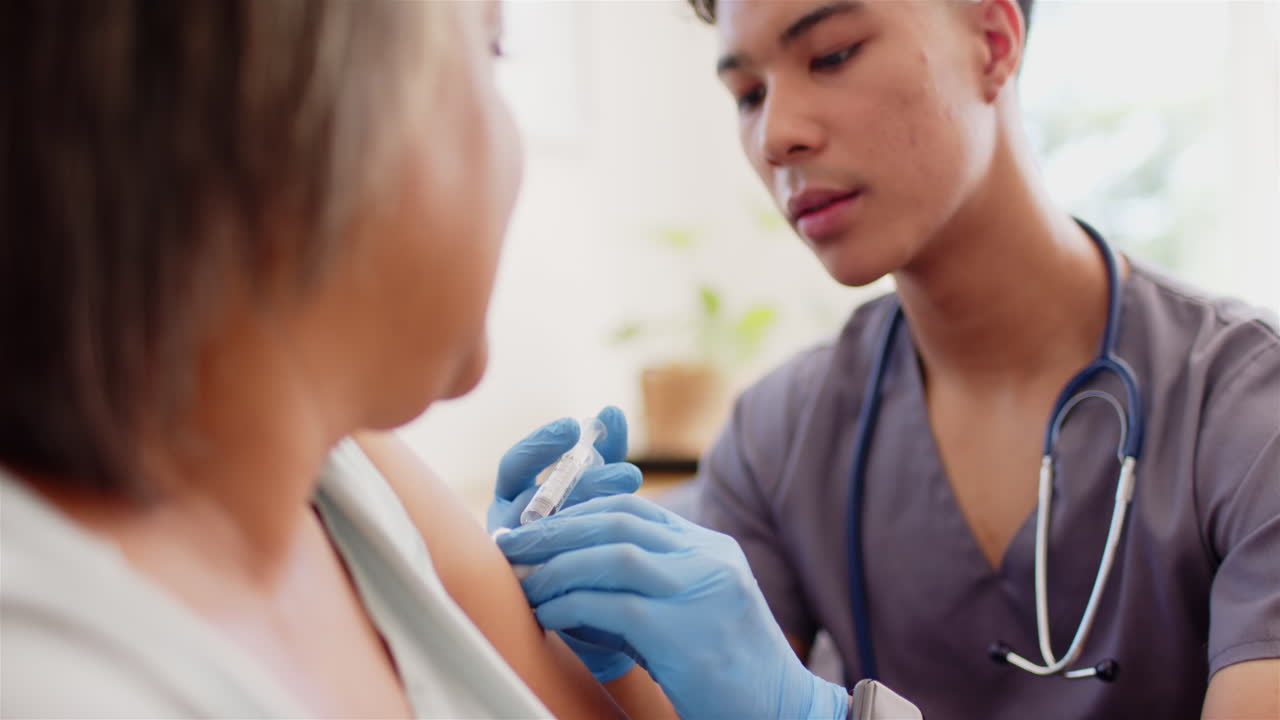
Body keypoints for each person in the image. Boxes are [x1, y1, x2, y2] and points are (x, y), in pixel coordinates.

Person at [494, 1, 1280, 718]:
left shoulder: (1247, 409)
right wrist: (591, 640)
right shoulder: (781, 436)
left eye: (831, 55)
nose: (776, 136)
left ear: (995, 42)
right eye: (748, 94)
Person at [0, 2, 676, 717]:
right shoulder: (50, 674)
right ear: (297, 110)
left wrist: (633, 658)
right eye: (493, 50)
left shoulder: (340, 470)